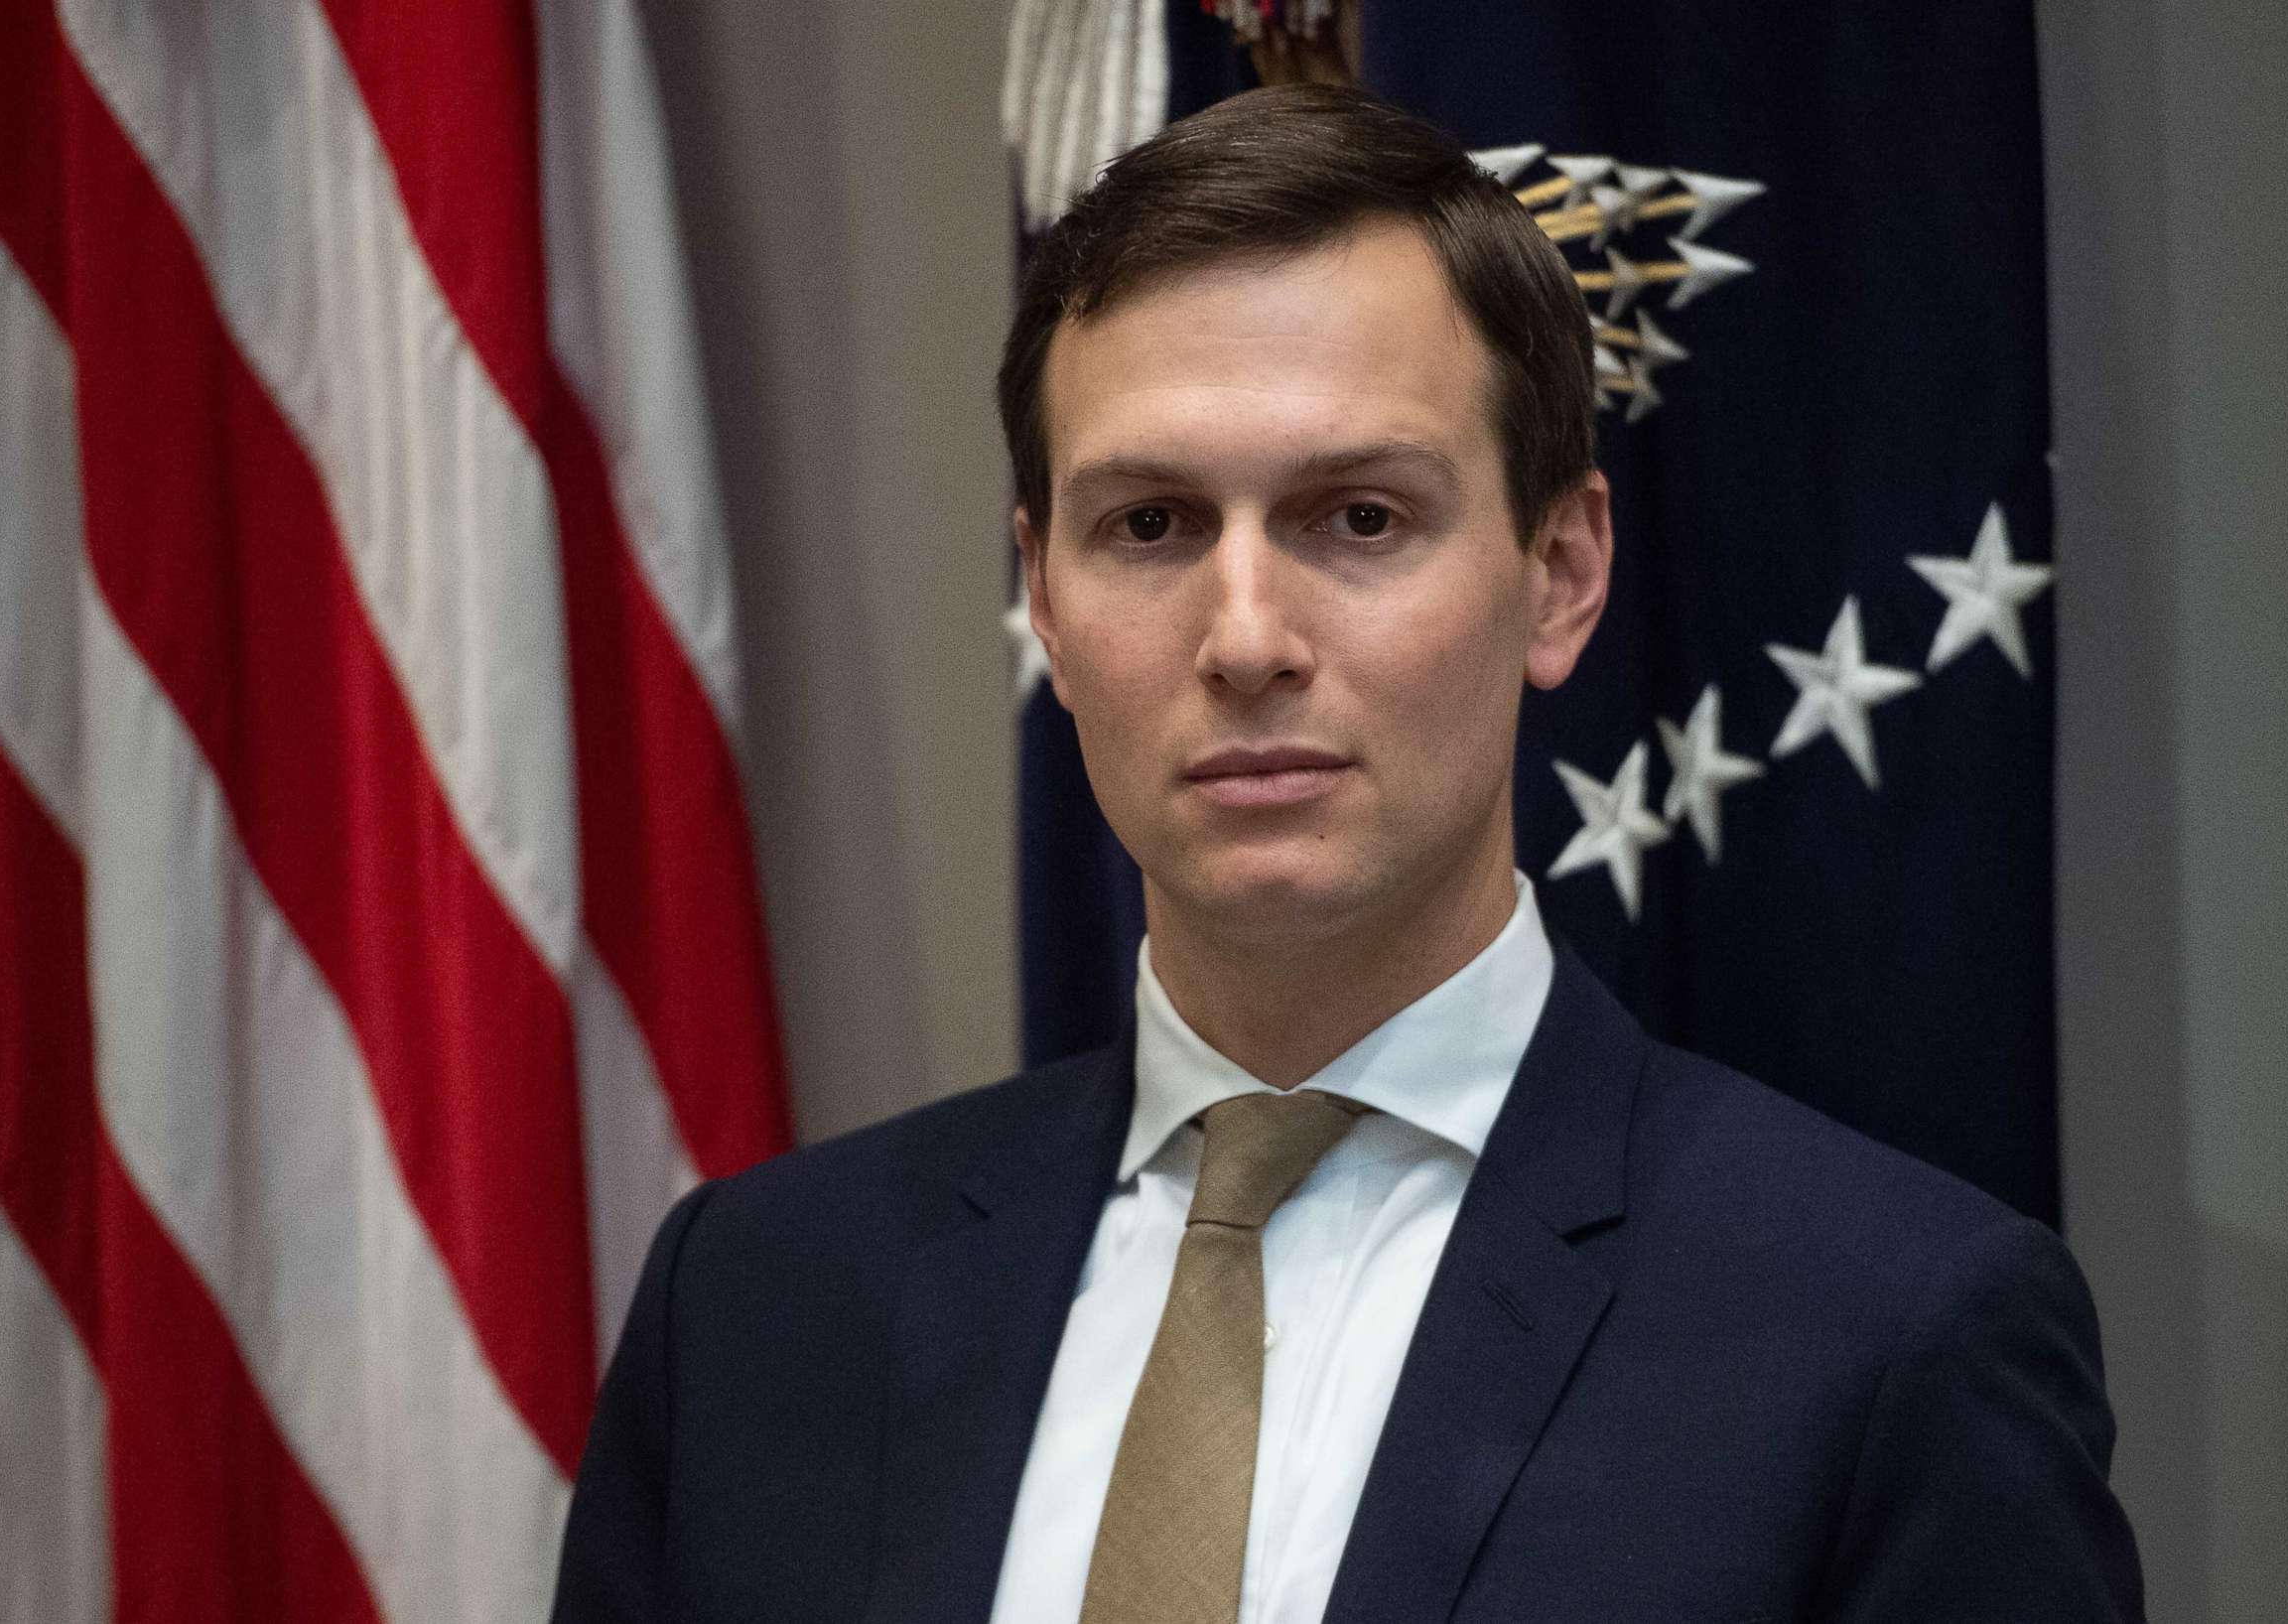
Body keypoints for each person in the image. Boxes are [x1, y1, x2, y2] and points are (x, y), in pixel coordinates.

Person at [552, 84, 2144, 1623]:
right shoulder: (756, 1308)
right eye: (1153, 526)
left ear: (1564, 570)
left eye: (1360, 518)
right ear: (1042, 588)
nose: (1246, 638)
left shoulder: (1891, 1338)